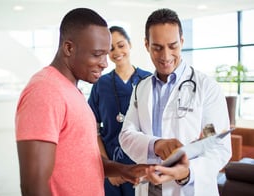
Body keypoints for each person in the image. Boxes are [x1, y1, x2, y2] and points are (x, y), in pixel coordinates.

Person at [15, 8, 152, 196]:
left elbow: (82, 159)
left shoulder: (71, 90)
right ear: (69, 48)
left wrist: (123, 170)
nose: (105, 63)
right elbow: (34, 185)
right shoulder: (45, 91)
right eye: (97, 54)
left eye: (105, 54)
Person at [119, 8, 232, 196]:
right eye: (157, 47)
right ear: (147, 45)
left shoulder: (207, 87)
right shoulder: (141, 88)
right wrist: (157, 145)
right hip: (149, 188)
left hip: (189, 188)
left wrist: (187, 172)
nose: (165, 56)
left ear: (182, 42)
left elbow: (220, 148)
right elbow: (126, 135)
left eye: (173, 46)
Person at [88, 26, 151, 196]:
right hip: (112, 167)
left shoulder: (148, 80)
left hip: (141, 166)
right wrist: (108, 167)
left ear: (130, 45)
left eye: (121, 45)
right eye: (111, 48)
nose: (117, 52)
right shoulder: (101, 84)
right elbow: (92, 130)